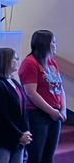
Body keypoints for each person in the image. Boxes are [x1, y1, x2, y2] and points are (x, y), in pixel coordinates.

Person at [18, 30, 67, 163]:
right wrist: (51, 111)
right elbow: (31, 93)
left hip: (55, 113)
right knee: (36, 156)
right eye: (53, 42)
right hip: (38, 114)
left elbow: (60, 88)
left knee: (49, 155)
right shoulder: (30, 63)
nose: (55, 45)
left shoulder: (52, 62)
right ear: (44, 44)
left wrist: (63, 109)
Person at [0, 47, 31, 163]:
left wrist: (26, 131)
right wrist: (19, 134)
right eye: (15, 59)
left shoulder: (14, 82)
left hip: (18, 138)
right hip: (4, 138)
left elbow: (23, 109)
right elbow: (2, 116)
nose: (18, 61)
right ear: (6, 61)